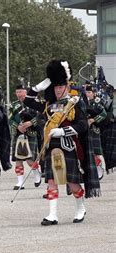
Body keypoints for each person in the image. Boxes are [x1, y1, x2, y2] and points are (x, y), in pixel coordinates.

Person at [24, 59, 100, 226]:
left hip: (68, 147)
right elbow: (28, 101)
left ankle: (80, 208)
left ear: (67, 86)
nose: (58, 90)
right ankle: (52, 214)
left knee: (72, 183)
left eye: (60, 87)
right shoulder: (49, 105)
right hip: (51, 147)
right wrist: (40, 86)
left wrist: (62, 131)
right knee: (51, 180)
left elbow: (81, 125)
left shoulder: (75, 103)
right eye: (55, 87)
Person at [9, 84, 42, 190]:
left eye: (21, 91)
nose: (19, 94)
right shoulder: (13, 105)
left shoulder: (34, 103)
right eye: (17, 92)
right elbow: (10, 119)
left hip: (31, 133)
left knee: (30, 160)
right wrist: (17, 126)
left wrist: (30, 123)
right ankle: (20, 182)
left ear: (26, 92)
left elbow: (41, 117)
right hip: (18, 134)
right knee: (18, 159)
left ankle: (37, 174)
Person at [85, 84, 107, 179]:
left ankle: (101, 167)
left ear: (93, 93)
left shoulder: (97, 102)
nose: (87, 94)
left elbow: (104, 114)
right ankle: (94, 168)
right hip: (85, 129)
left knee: (97, 151)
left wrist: (93, 120)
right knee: (87, 150)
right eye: (86, 92)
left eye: (89, 92)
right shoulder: (84, 102)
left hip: (95, 129)